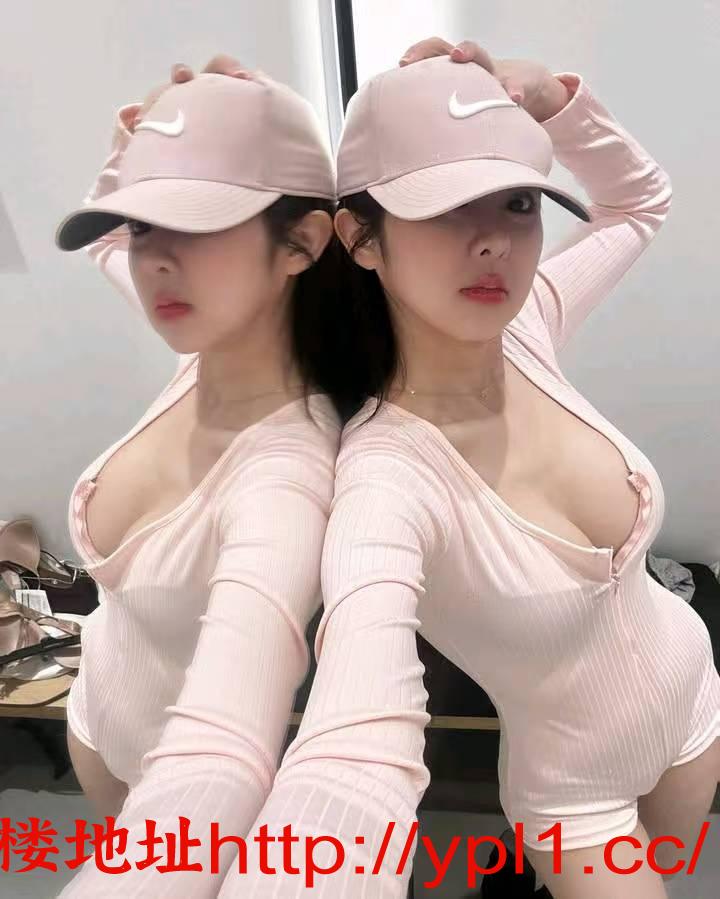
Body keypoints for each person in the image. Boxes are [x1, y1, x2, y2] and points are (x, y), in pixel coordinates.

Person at [218, 40, 719, 899]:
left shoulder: (528, 329)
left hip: (698, 695)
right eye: (447, 209)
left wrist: (555, 101)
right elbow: (353, 724)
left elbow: (638, 202)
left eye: (517, 203)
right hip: (580, 798)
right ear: (360, 236)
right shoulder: (384, 482)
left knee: (671, 870)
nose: (494, 243)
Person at [53, 56, 353, 897]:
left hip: (190, 815)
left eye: (196, 223)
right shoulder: (205, 350)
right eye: (145, 226)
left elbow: (226, 731)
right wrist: (147, 133)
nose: (153, 259)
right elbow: (105, 240)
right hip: (101, 735)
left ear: (303, 241)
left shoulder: (285, 482)